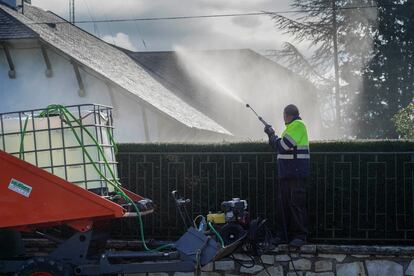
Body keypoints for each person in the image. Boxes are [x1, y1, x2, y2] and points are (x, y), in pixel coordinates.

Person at [264, 104, 310, 247]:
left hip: (295, 174)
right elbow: (279, 147)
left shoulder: (298, 125)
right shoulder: (291, 128)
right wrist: (271, 136)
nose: (283, 118)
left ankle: (300, 236)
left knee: (296, 204)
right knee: (284, 206)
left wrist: (273, 135)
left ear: (288, 115)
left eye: (284, 115)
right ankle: (283, 236)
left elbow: (283, 146)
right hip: (287, 174)